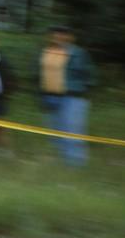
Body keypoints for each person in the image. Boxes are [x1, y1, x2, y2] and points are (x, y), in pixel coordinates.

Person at [38, 26, 96, 167]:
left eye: (62, 35)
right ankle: (62, 160)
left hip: (72, 97)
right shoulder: (46, 51)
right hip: (50, 96)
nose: (58, 37)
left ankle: (75, 164)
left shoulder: (78, 53)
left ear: (70, 37)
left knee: (73, 131)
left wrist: (82, 90)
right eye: (55, 35)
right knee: (55, 130)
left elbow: (90, 75)